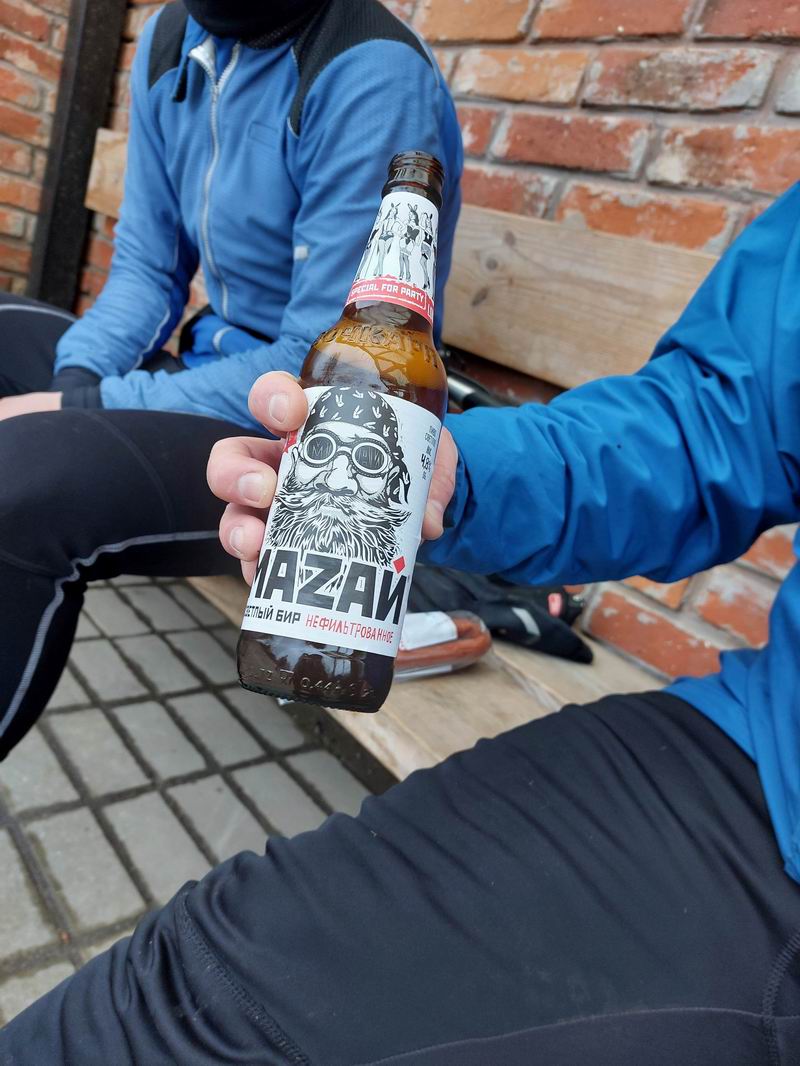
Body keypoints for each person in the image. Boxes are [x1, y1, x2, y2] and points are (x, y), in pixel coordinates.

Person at [4, 190, 800, 1066]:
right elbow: (709, 424)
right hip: (756, 744)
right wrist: (452, 476)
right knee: (157, 1010)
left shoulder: (371, 108)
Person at [0, 0, 462, 759]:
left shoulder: (369, 68)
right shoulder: (167, 39)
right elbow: (146, 268)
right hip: (206, 363)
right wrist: (77, 382)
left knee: (21, 481)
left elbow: (324, 359)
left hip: (292, 434)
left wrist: (75, 408)